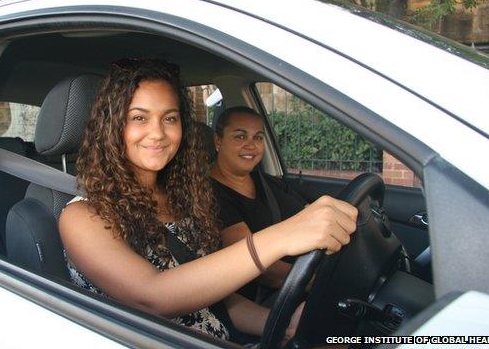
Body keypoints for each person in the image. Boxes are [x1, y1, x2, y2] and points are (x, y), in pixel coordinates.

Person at [58, 59, 357, 343]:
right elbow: (153, 297)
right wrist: (282, 237)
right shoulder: (83, 216)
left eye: (170, 118)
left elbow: (214, 300)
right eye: (139, 117)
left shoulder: (182, 200)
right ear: (112, 127)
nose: (158, 133)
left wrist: (280, 324)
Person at [209, 106, 306, 301]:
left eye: (258, 137)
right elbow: (262, 270)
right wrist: (314, 279)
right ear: (218, 141)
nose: (251, 145)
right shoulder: (210, 194)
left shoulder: (266, 181)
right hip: (269, 297)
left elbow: (307, 214)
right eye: (240, 136)